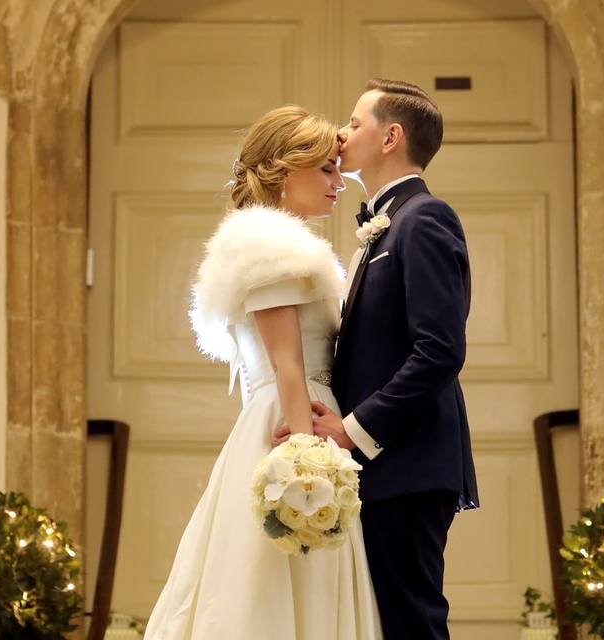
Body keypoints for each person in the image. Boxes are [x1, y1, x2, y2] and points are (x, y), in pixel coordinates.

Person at [142, 105, 382, 640]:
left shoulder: (282, 243)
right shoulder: (270, 247)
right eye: (323, 169)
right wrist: (305, 458)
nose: (337, 182)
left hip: (297, 414)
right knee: (288, 576)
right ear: (280, 170)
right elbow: (287, 364)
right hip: (294, 420)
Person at [288, 78, 480, 640]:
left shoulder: (424, 218)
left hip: (409, 465)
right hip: (387, 468)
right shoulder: (384, 222)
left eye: (353, 122)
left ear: (392, 136)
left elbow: (439, 352)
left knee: (411, 623)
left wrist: (350, 431)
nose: (340, 134)